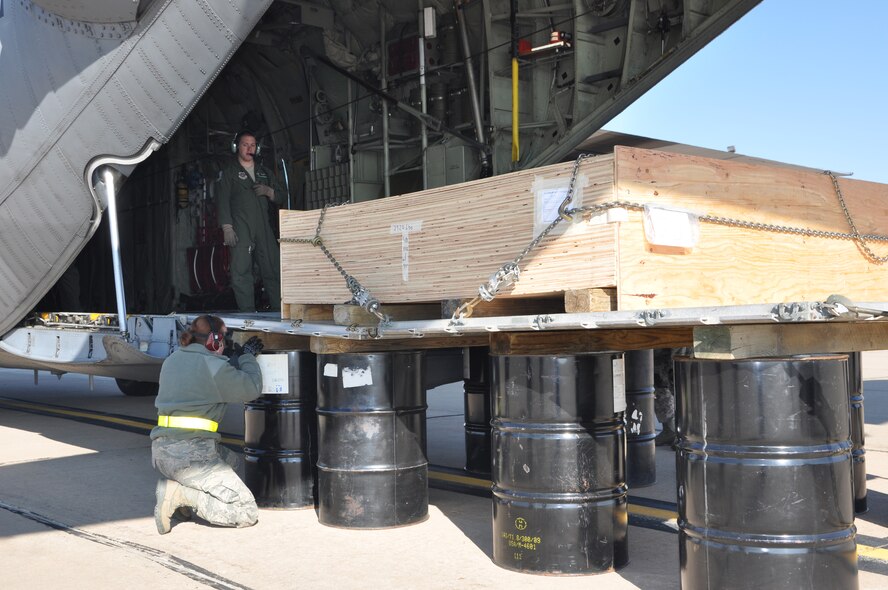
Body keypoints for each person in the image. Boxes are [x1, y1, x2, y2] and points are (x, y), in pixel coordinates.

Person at [150, 314, 265, 534]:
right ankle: (181, 496)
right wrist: (246, 358)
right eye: (225, 338)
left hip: (162, 451)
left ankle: (182, 493)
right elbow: (251, 389)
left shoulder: (172, 360)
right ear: (215, 341)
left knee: (231, 460)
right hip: (191, 456)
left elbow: (200, 379)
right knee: (246, 511)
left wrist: (228, 361)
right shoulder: (215, 368)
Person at [217, 131, 284, 312]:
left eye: (253, 145)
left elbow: (282, 195)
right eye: (245, 144)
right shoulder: (230, 173)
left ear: (257, 148)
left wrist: (269, 192)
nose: (249, 148)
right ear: (237, 147)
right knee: (241, 271)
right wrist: (227, 227)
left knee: (273, 268)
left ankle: (280, 310)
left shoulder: (264, 172)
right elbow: (222, 200)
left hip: (263, 227)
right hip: (241, 226)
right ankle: (247, 312)